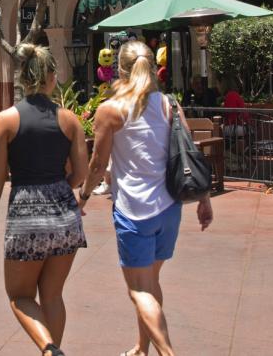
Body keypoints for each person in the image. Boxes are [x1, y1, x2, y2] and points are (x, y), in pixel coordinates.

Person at [79, 40, 213, 356]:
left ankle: (167, 353)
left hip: (134, 211)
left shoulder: (110, 110)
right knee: (150, 283)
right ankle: (142, 348)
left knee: (138, 289)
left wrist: (82, 197)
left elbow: (98, 164)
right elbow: (189, 154)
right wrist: (205, 199)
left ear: (120, 70)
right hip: (169, 208)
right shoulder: (170, 104)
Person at [0, 44, 88, 356]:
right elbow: (81, 175)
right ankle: (52, 350)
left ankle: (47, 349)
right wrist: (60, 189)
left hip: (25, 215)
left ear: (23, 78)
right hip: (64, 216)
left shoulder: (5, 120)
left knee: (19, 295)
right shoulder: (70, 120)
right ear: (52, 77)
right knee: (53, 295)